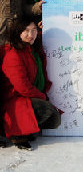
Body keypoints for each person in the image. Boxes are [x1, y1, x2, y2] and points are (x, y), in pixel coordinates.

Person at [1, 19, 61, 150]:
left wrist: (40, 32)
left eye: (34, 30)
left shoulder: (31, 50)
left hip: (24, 98)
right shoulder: (13, 54)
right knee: (47, 111)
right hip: (13, 101)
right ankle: (16, 134)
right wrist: (42, 96)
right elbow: (22, 86)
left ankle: (23, 130)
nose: (31, 34)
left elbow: (35, 44)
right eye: (26, 31)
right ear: (18, 33)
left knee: (53, 118)